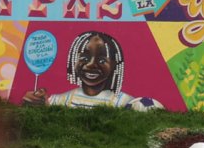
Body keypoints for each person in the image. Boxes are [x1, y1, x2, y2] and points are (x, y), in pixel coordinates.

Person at [23, 31, 162, 110]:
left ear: (114, 65)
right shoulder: (65, 99)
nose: (91, 65)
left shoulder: (123, 102)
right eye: (84, 57)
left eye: (102, 60)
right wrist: (35, 100)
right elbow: (44, 106)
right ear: (73, 60)